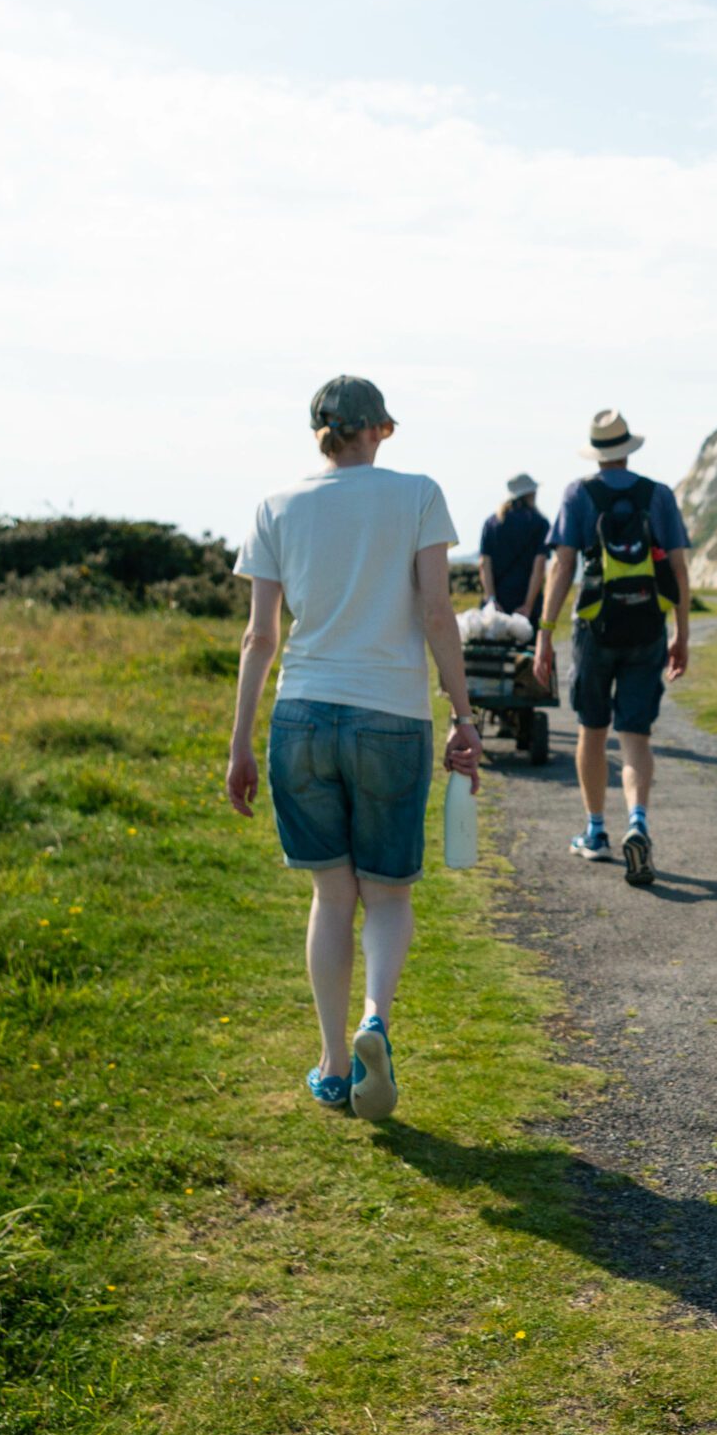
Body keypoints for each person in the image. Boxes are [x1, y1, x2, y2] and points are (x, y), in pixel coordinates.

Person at [226, 376, 481, 1120]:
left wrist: (240, 742)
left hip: (300, 714)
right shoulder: (419, 494)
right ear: (381, 430)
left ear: (320, 434)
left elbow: (260, 636)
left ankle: (334, 1065)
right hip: (390, 715)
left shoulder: (275, 505)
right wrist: (463, 716)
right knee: (388, 894)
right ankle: (376, 1017)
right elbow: (438, 613)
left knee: (331, 895)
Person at [534, 409, 694, 888]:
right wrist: (680, 632)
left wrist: (545, 631)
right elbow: (680, 569)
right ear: (627, 448)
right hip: (647, 625)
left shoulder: (578, 495)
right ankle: (638, 820)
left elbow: (562, 567)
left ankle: (596, 830)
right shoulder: (658, 495)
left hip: (594, 628)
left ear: (597, 453)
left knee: (591, 729)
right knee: (636, 736)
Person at [478, 473, 550, 618]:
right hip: (526, 601)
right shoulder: (540, 522)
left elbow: (484, 564)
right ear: (530, 493)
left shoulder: (491, 523)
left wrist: (492, 601)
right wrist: (528, 606)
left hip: (498, 602)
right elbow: (539, 566)